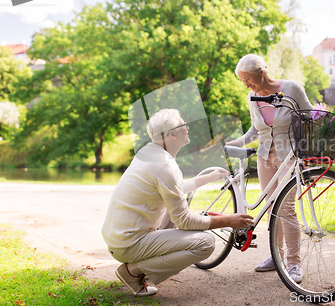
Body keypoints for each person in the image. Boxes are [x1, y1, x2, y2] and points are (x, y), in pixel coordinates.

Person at [102, 108, 253, 296]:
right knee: (205, 242)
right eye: (183, 125)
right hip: (129, 244)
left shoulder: (149, 152)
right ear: (171, 134)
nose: (187, 127)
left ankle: (145, 265)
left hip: (120, 237)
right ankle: (132, 271)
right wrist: (228, 220)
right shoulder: (165, 165)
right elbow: (184, 221)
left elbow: (175, 187)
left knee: (184, 197)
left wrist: (209, 177)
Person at [226, 54, 313, 283]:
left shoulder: (292, 88)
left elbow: (311, 116)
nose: (245, 84)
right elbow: (256, 129)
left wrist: (311, 147)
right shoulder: (252, 96)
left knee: (287, 208)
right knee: (272, 208)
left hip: (289, 157)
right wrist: (241, 141)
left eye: (247, 79)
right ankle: (277, 256)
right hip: (265, 157)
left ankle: (293, 263)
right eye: (242, 80)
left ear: (261, 73)